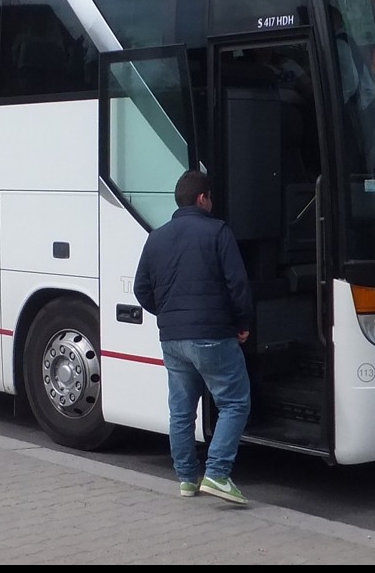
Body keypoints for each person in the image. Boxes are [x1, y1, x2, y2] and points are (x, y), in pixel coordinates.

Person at [133, 169, 253, 505]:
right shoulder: (217, 232)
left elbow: (141, 288)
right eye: (210, 197)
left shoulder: (156, 237)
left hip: (172, 339)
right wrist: (242, 322)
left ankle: (187, 479)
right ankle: (217, 473)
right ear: (202, 198)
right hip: (212, 334)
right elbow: (237, 284)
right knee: (235, 401)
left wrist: (169, 314)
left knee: (182, 410)